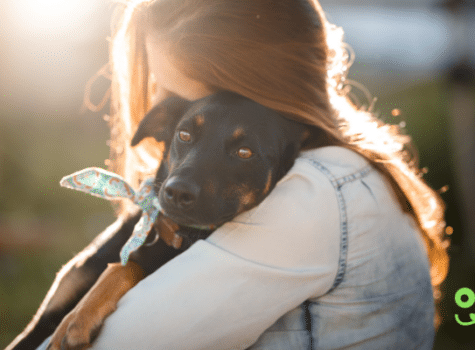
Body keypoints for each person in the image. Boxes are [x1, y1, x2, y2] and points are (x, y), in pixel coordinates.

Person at [39, 0, 449, 348]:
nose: (164, 108)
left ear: (254, 86)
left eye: (185, 96)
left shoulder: (309, 199)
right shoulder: (345, 169)